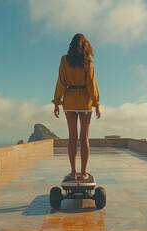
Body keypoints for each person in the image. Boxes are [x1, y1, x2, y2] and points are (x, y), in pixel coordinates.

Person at [52, 33, 101, 180]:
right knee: (84, 137)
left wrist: (56, 101)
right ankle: (83, 172)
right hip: (85, 101)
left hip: (70, 100)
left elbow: (61, 81)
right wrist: (96, 103)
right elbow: (91, 84)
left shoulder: (64, 60)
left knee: (72, 137)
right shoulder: (88, 61)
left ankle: (73, 172)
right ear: (85, 45)